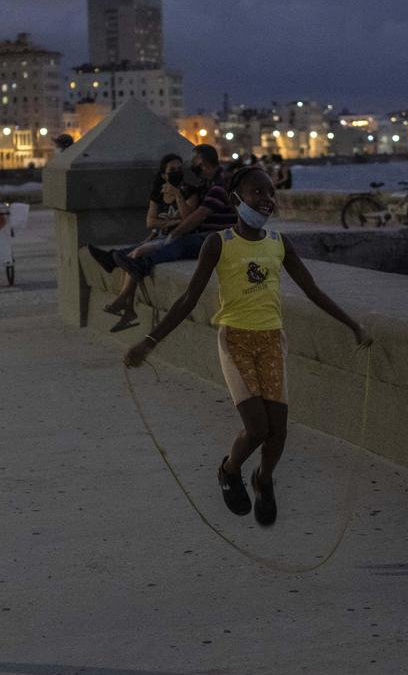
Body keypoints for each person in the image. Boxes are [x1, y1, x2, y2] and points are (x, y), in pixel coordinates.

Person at [124, 166, 370, 524]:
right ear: (235, 199)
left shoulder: (279, 243)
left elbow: (312, 290)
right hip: (236, 340)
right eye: (257, 192)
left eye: (271, 193)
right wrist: (149, 342)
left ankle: (264, 479)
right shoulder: (219, 243)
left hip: (272, 342)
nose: (266, 199)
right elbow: (188, 299)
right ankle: (230, 469)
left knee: (278, 430)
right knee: (257, 428)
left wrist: (352, 325)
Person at [88, 153, 192, 331]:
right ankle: (127, 309)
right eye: (172, 169)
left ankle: (123, 299)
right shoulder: (158, 194)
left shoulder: (189, 191)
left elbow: (188, 218)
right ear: (164, 175)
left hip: (176, 239)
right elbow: (150, 222)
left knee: (132, 256)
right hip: (158, 236)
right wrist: (171, 222)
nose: (177, 172)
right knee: (129, 260)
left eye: (179, 169)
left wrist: (177, 195)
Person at [112, 144, 238, 283]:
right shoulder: (207, 184)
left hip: (219, 237)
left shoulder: (220, 185)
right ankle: (119, 256)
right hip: (205, 235)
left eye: (193, 161)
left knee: (180, 243)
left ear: (201, 163)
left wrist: (173, 234)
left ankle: (144, 264)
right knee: (162, 241)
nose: (190, 166)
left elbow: (198, 216)